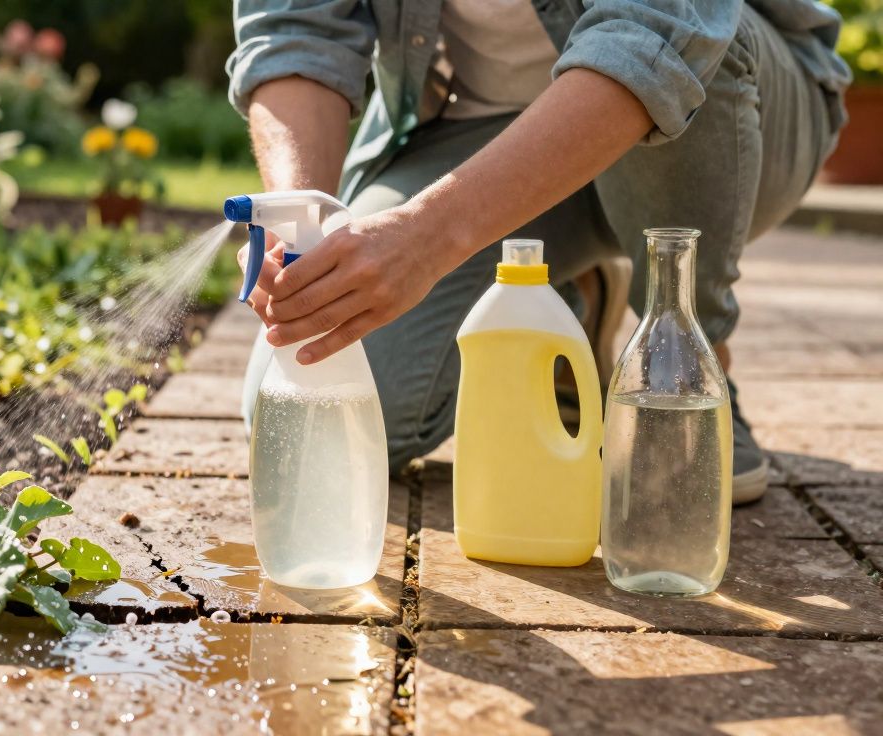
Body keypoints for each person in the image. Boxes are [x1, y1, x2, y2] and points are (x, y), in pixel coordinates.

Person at [227, 0, 851, 504]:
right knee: (302, 421)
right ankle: (573, 299)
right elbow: (292, 30)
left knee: (695, 37)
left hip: (729, 107)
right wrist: (302, 220)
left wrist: (423, 239)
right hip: (480, 135)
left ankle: (689, 361)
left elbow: (656, 32)